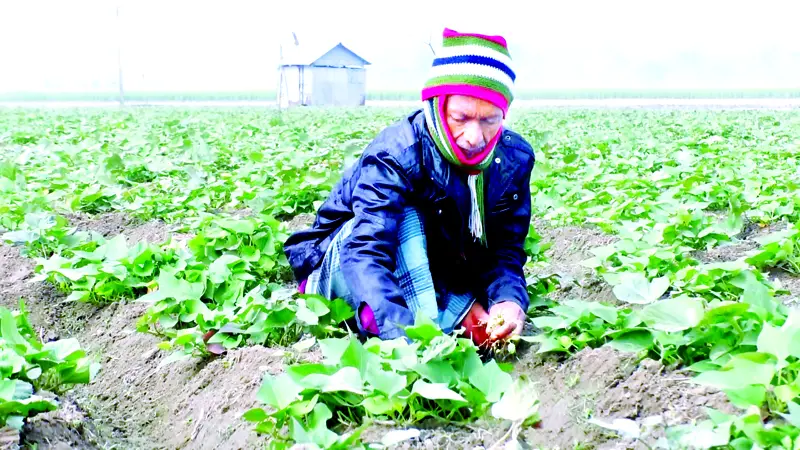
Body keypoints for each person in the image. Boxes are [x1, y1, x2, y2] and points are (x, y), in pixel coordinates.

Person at [283, 28, 535, 348]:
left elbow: (505, 253)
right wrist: (400, 343)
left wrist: (508, 301)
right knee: (409, 215)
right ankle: (429, 336)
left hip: (429, 267)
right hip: (342, 269)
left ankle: (448, 316)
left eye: (490, 120)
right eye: (461, 117)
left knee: (484, 303)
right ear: (438, 106)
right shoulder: (397, 152)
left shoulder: (512, 160)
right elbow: (365, 252)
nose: (475, 136)